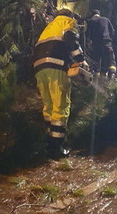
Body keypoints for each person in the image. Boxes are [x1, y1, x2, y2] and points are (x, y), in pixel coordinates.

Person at [32, 8, 88, 159]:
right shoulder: (68, 22)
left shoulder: (49, 26)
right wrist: (81, 60)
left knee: (48, 106)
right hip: (56, 66)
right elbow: (71, 39)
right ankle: (56, 148)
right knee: (61, 106)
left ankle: (48, 141)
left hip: (39, 67)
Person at [85, 9, 117, 79]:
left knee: (96, 61)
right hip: (107, 43)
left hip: (96, 44)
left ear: (92, 15)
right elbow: (112, 32)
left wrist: (89, 43)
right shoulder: (106, 19)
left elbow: (87, 33)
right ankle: (112, 76)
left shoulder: (90, 21)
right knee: (110, 60)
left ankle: (96, 79)